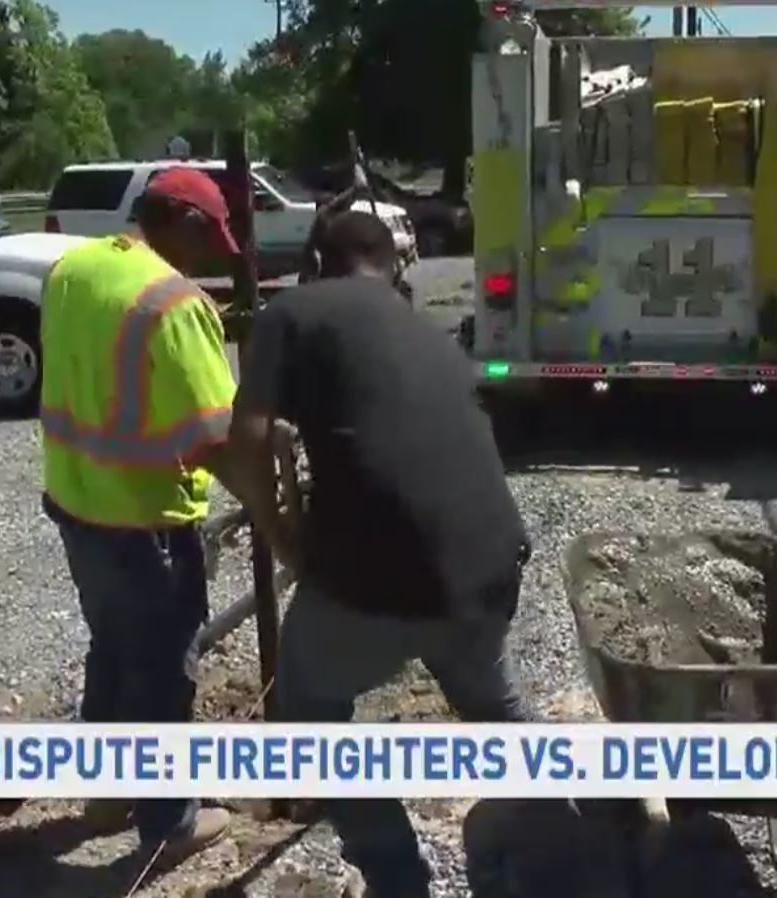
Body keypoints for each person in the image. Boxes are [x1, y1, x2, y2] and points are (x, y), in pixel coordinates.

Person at [228, 211, 532, 898]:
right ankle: (551, 829)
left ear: (314, 261)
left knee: (309, 708)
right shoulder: (430, 330)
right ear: (393, 263)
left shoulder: (293, 310)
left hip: (377, 580)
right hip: (490, 562)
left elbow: (243, 442)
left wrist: (280, 537)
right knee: (490, 696)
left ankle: (398, 879)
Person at [26, 166, 271, 866]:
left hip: (75, 505)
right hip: (146, 523)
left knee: (111, 649)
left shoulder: (74, 267)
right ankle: (169, 823)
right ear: (184, 222)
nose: (211, 258)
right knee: (164, 672)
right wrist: (273, 514)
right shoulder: (173, 303)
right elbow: (216, 437)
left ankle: (105, 795)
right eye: (210, 239)